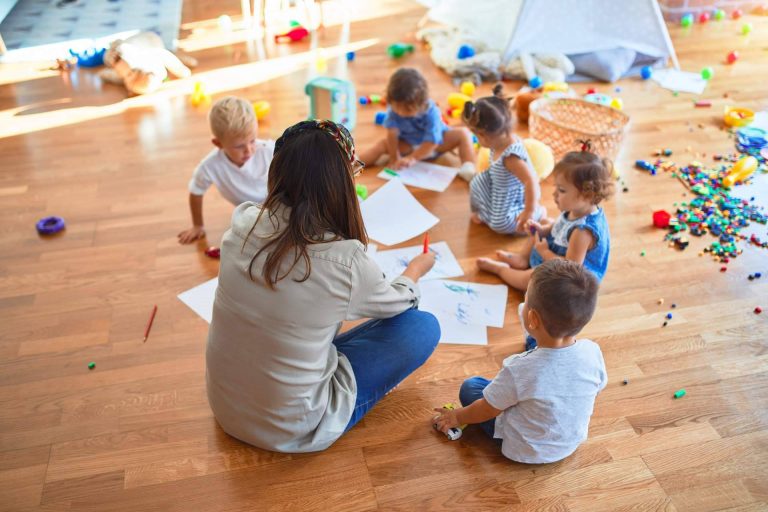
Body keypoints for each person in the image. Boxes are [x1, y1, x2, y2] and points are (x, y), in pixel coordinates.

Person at [206, 119, 441, 453]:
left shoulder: (244, 222)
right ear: (341, 182)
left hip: (227, 407)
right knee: (421, 327)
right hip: (293, 427)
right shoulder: (345, 261)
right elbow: (399, 304)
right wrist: (415, 270)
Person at [432, 259, 607, 464]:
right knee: (522, 388)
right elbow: (597, 387)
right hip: (569, 443)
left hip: (524, 448)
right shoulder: (592, 351)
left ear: (532, 319)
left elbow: (487, 409)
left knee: (471, 387)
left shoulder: (520, 368)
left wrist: (458, 417)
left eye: (525, 301)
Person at [477, 141, 614, 291]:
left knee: (533, 277)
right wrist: (543, 230)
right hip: (560, 255)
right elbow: (560, 226)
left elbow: (569, 269)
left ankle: (502, 271)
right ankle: (523, 258)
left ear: (586, 195)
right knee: (543, 221)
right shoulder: (577, 208)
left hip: (573, 280)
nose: (554, 194)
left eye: (561, 190)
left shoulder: (582, 232)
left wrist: (545, 252)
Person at [177, 96, 274, 244]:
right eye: (239, 146)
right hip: (248, 214)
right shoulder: (210, 166)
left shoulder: (269, 150)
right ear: (218, 143)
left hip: (279, 204)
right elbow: (196, 191)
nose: (249, 150)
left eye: (253, 140)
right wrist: (197, 225)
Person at [358, 67, 476, 175]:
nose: (399, 112)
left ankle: (468, 167)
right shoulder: (394, 107)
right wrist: (394, 156)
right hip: (409, 144)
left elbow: (432, 142)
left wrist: (412, 158)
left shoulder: (432, 112)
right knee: (382, 145)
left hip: (436, 145)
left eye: (406, 110)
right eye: (395, 107)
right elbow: (392, 133)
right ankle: (354, 164)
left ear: (421, 104)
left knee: (464, 133)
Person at [462, 84, 545, 235]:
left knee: (500, 224)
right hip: (498, 187)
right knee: (476, 182)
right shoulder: (500, 139)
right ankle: (487, 213)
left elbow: (530, 180)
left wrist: (529, 210)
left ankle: (538, 215)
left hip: (513, 200)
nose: (477, 139)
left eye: (476, 135)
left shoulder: (511, 157)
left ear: (486, 135)